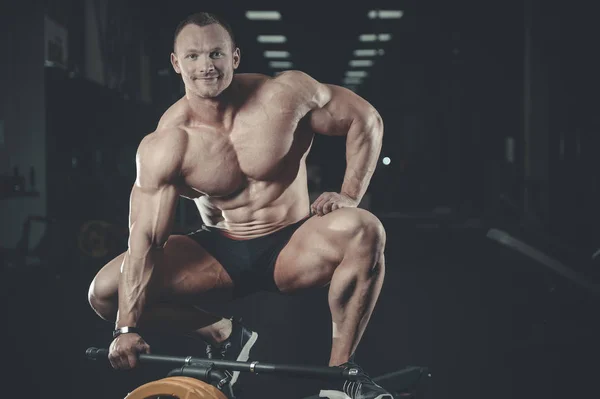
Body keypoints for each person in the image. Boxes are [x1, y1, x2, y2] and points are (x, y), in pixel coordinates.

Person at [88, 11, 391, 399]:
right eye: (193, 56)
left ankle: (339, 377)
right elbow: (145, 239)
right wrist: (126, 329)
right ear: (176, 63)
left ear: (235, 57)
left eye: (216, 54)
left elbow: (366, 119)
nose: (206, 66)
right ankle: (224, 335)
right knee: (105, 294)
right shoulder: (168, 143)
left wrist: (349, 194)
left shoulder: (285, 96)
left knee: (365, 229)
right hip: (219, 253)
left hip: (293, 244)